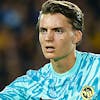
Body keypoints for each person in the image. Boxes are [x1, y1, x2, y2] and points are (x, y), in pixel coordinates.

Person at [0, 0, 100, 99]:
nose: (48, 38)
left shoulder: (96, 68)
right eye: (43, 30)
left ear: (76, 36)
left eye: (58, 30)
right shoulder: (32, 84)